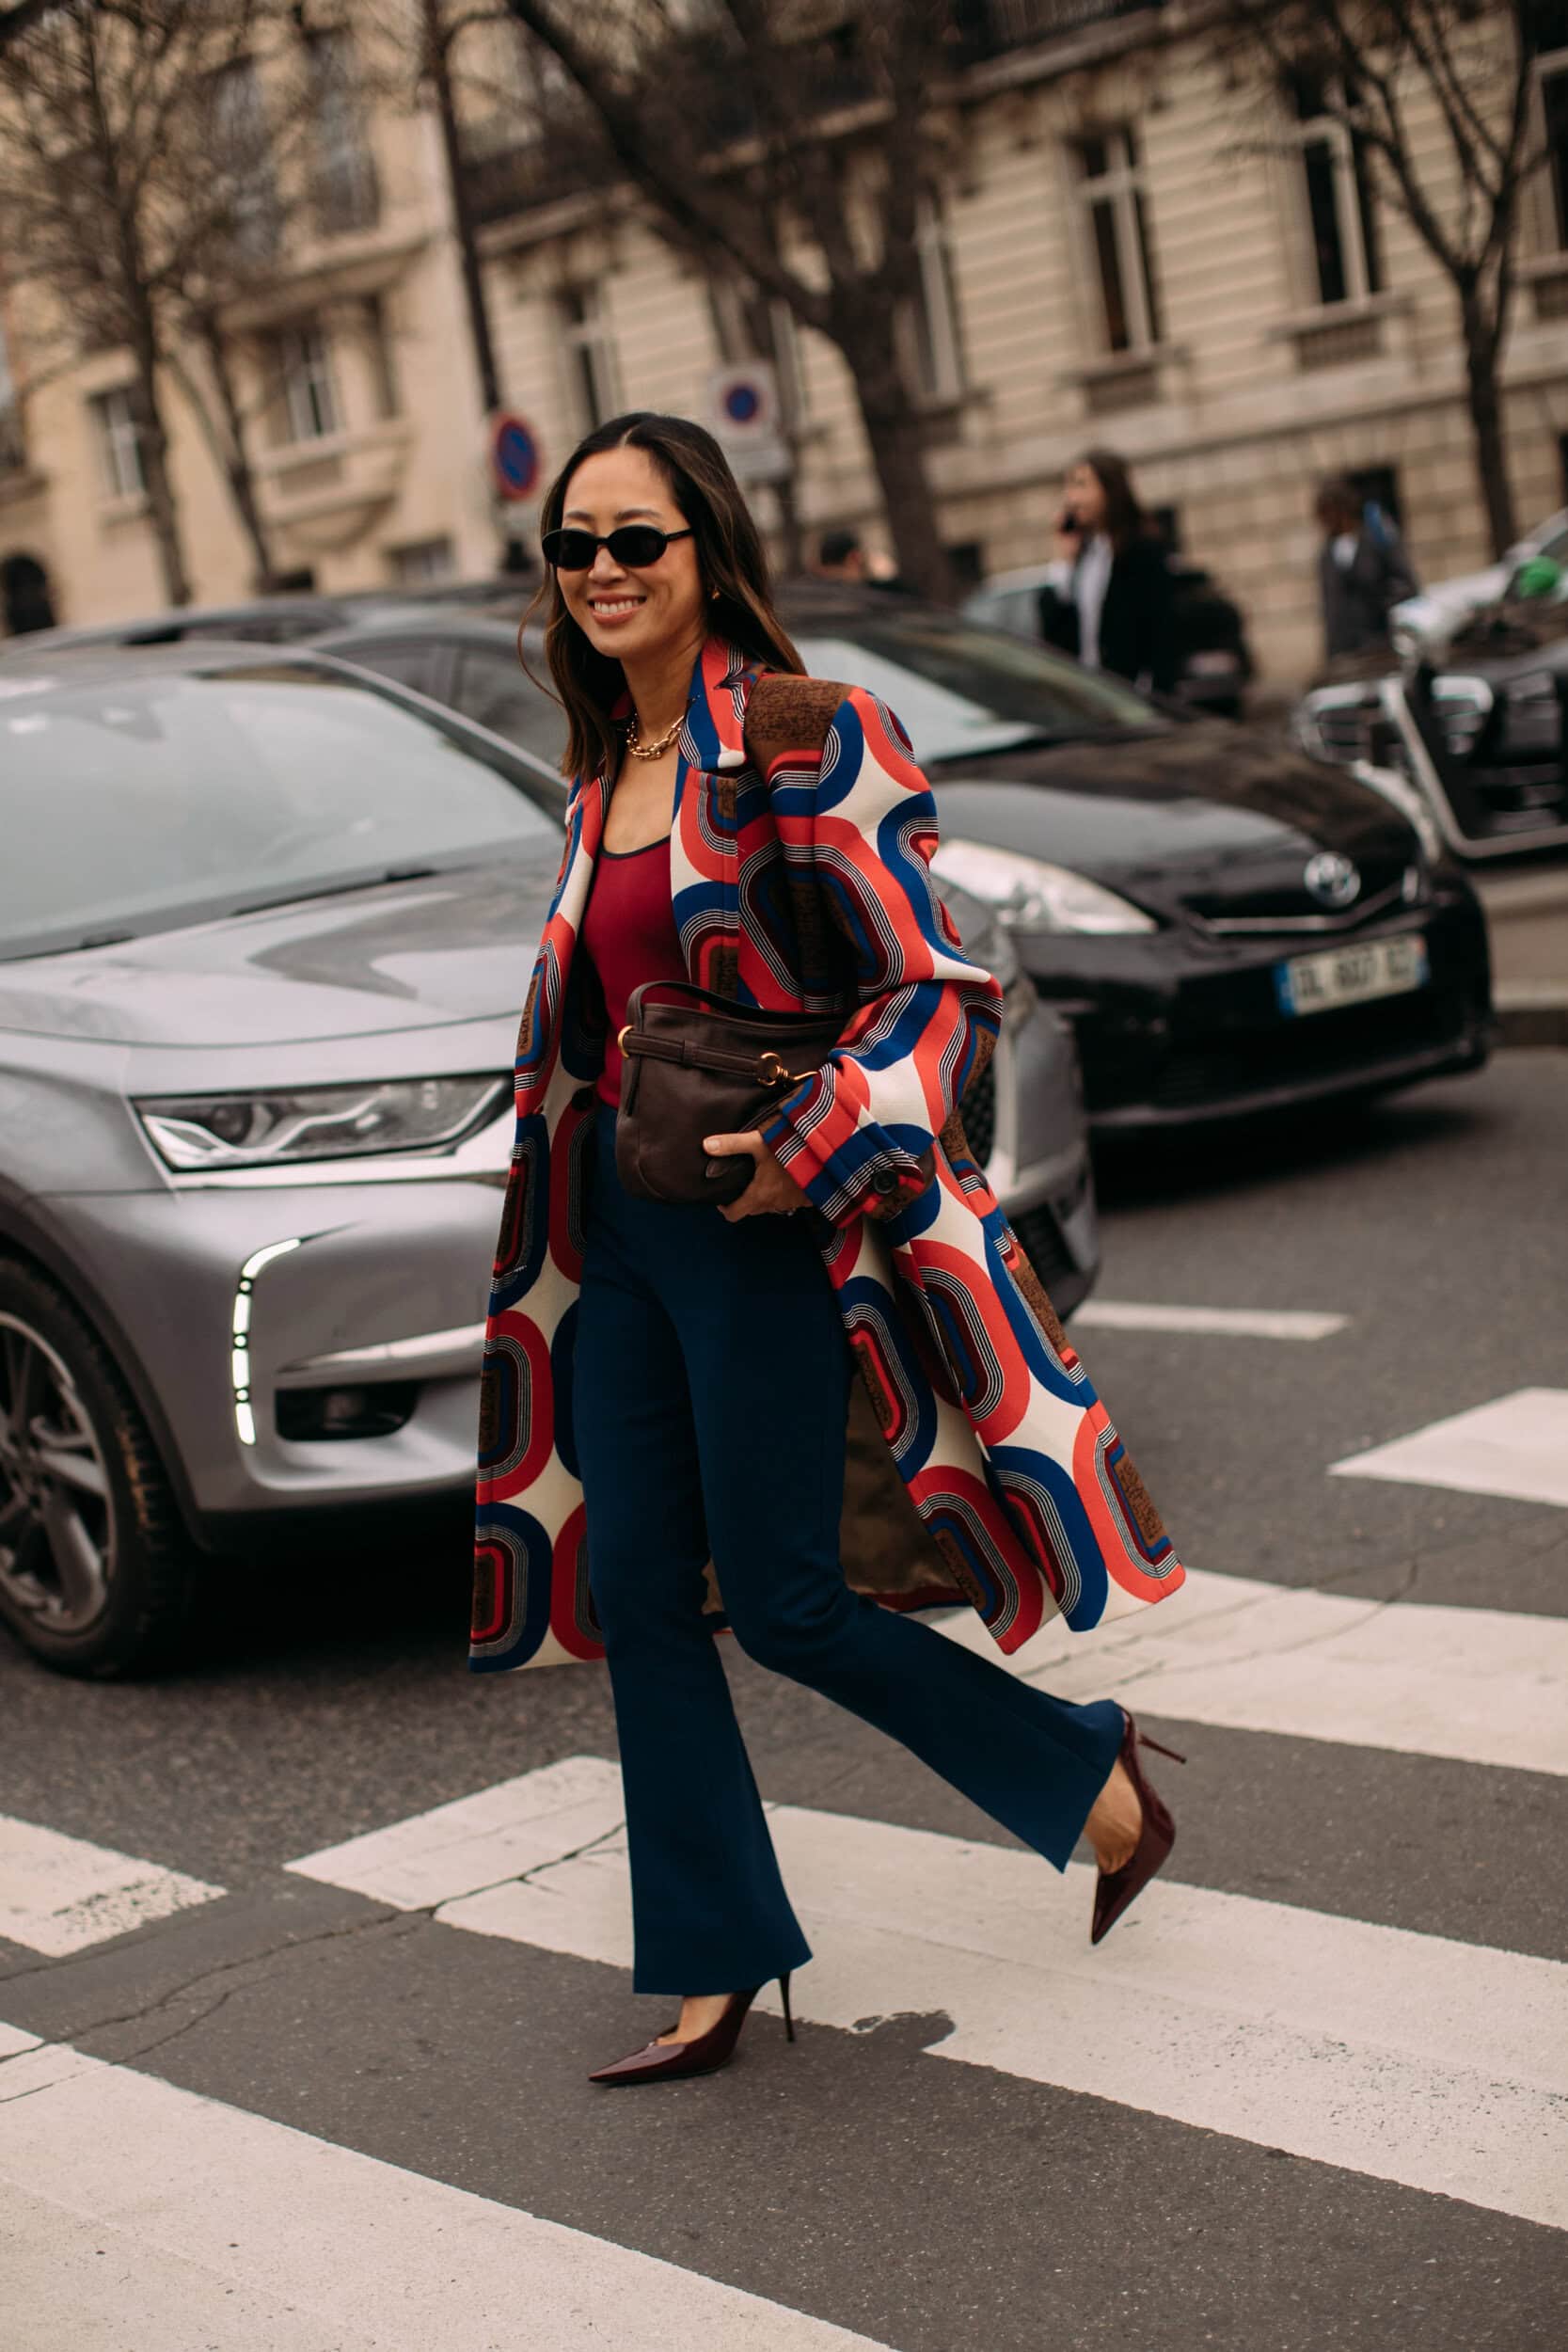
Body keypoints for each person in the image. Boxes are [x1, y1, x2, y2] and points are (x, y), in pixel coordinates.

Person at [471, 410, 1188, 2088]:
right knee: (640, 1595)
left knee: (786, 1603)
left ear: (705, 551)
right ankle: (711, 1957)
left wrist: (812, 1151)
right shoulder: (600, 775)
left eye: (633, 540)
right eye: (574, 546)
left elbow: (940, 991)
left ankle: (1090, 1780)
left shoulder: (806, 736)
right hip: (620, 1249)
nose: (599, 572)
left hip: (760, 1237)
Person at [1037, 448, 1178, 694]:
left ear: (1110, 490)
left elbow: (1162, 630)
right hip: (1093, 696)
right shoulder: (1083, 555)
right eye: (1069, 487)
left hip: (1132, 695)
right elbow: (1056, 636)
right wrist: (1065, 561)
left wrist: (1156, 692)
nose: (1071, 498)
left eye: (1081, 485)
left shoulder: (1142, 549)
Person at [1315, 474, 1419, 660]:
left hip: (1383, 644)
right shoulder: (1327, 555)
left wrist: (1382, 607)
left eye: (1329, 513)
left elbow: (1408, 584)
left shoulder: (1377, 539)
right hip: (1347, 651)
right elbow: (1330, 608)